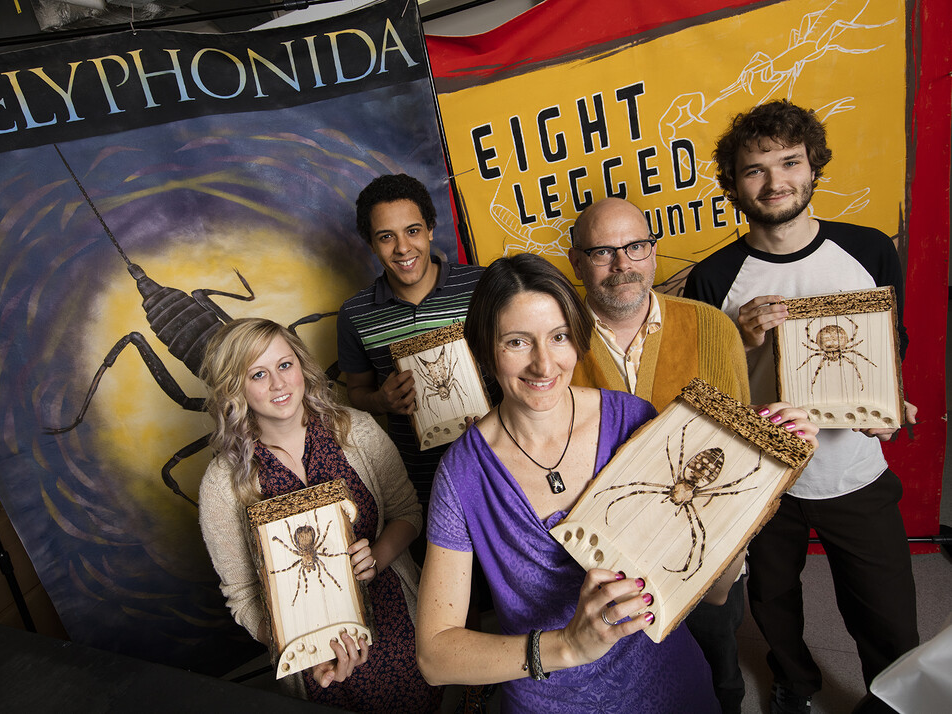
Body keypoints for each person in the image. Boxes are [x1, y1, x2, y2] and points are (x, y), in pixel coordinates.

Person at [417, 253, 818, 713]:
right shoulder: (463, 472)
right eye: (516, 342)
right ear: (485, 351)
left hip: (670, 687)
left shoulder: (633, 420)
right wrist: (567, 646)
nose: (544, 365)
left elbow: (716, 591)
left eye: (559, 337)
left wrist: (757, 490)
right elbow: (435, 656)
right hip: (551, 701)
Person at [684, 99, 919, 714]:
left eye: (789, 162)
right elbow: (706, 390)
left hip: (853, 472)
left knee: (885, 608)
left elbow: (890, 354)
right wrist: (739, 337)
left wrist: (893, 407)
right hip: (765, 477)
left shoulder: (869, 250)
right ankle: (795, 682)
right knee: (773, 600)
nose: (774, 181)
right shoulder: (714, 278)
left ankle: (896, 699)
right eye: (754, 169)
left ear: (813, 165)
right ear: (734, 184)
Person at [197, 318, 441, 713]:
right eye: (258, 374)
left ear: (302, 366)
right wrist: (303, 650)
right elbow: (242, 596)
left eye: (284, 365)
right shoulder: (221, 484)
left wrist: (378, 555)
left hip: (398, 625)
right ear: (234, 387)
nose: (278, 384)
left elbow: (407, 512)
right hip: (320, 666)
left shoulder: (356, 430)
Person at [567, 197, 750, 713]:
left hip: (707, 554)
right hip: (603, 561)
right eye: (602, 251)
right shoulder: (554, 342)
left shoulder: (713, 327)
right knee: (623, 687)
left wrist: (732, 559)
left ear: (653, 252)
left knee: (719, 672)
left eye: (636, 246)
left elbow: (742, 450)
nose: (622, 264)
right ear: (577, 261)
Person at [337, 174, 488, 509]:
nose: (403, 248)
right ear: (371, 243)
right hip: (422, 481)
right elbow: (356, 393)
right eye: (386, 237)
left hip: (498, 461)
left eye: (413, 231)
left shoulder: (481, 286)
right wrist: (381, 401)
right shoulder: (355, 314)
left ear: (430, 229)